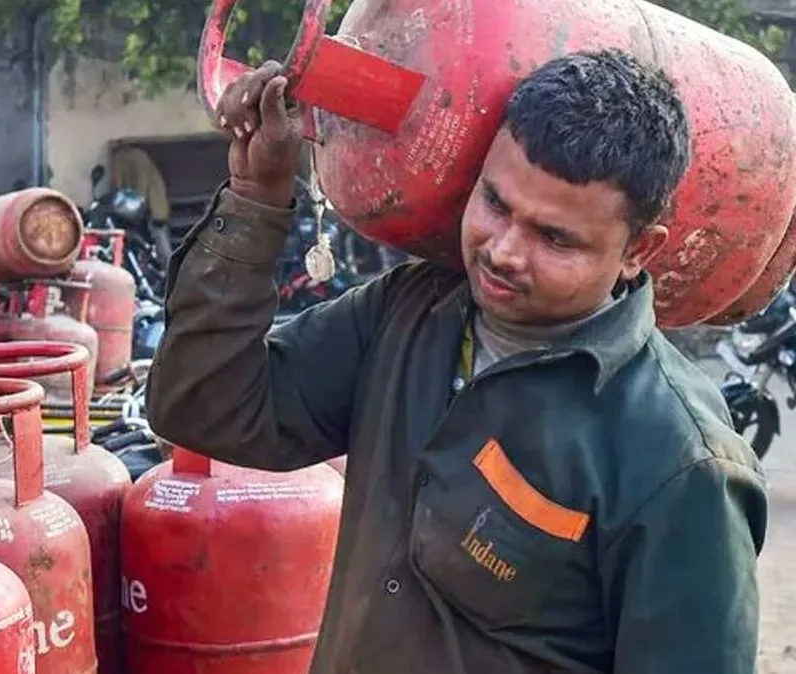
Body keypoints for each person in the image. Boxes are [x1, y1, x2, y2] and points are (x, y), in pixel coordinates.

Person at [145, 48, 767, 673]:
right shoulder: (409, 314)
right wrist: (256, 200)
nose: (502, 252)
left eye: (554, 238)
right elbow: (204, 410)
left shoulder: (681, 466)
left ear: (638, 250)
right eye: (494, 203)